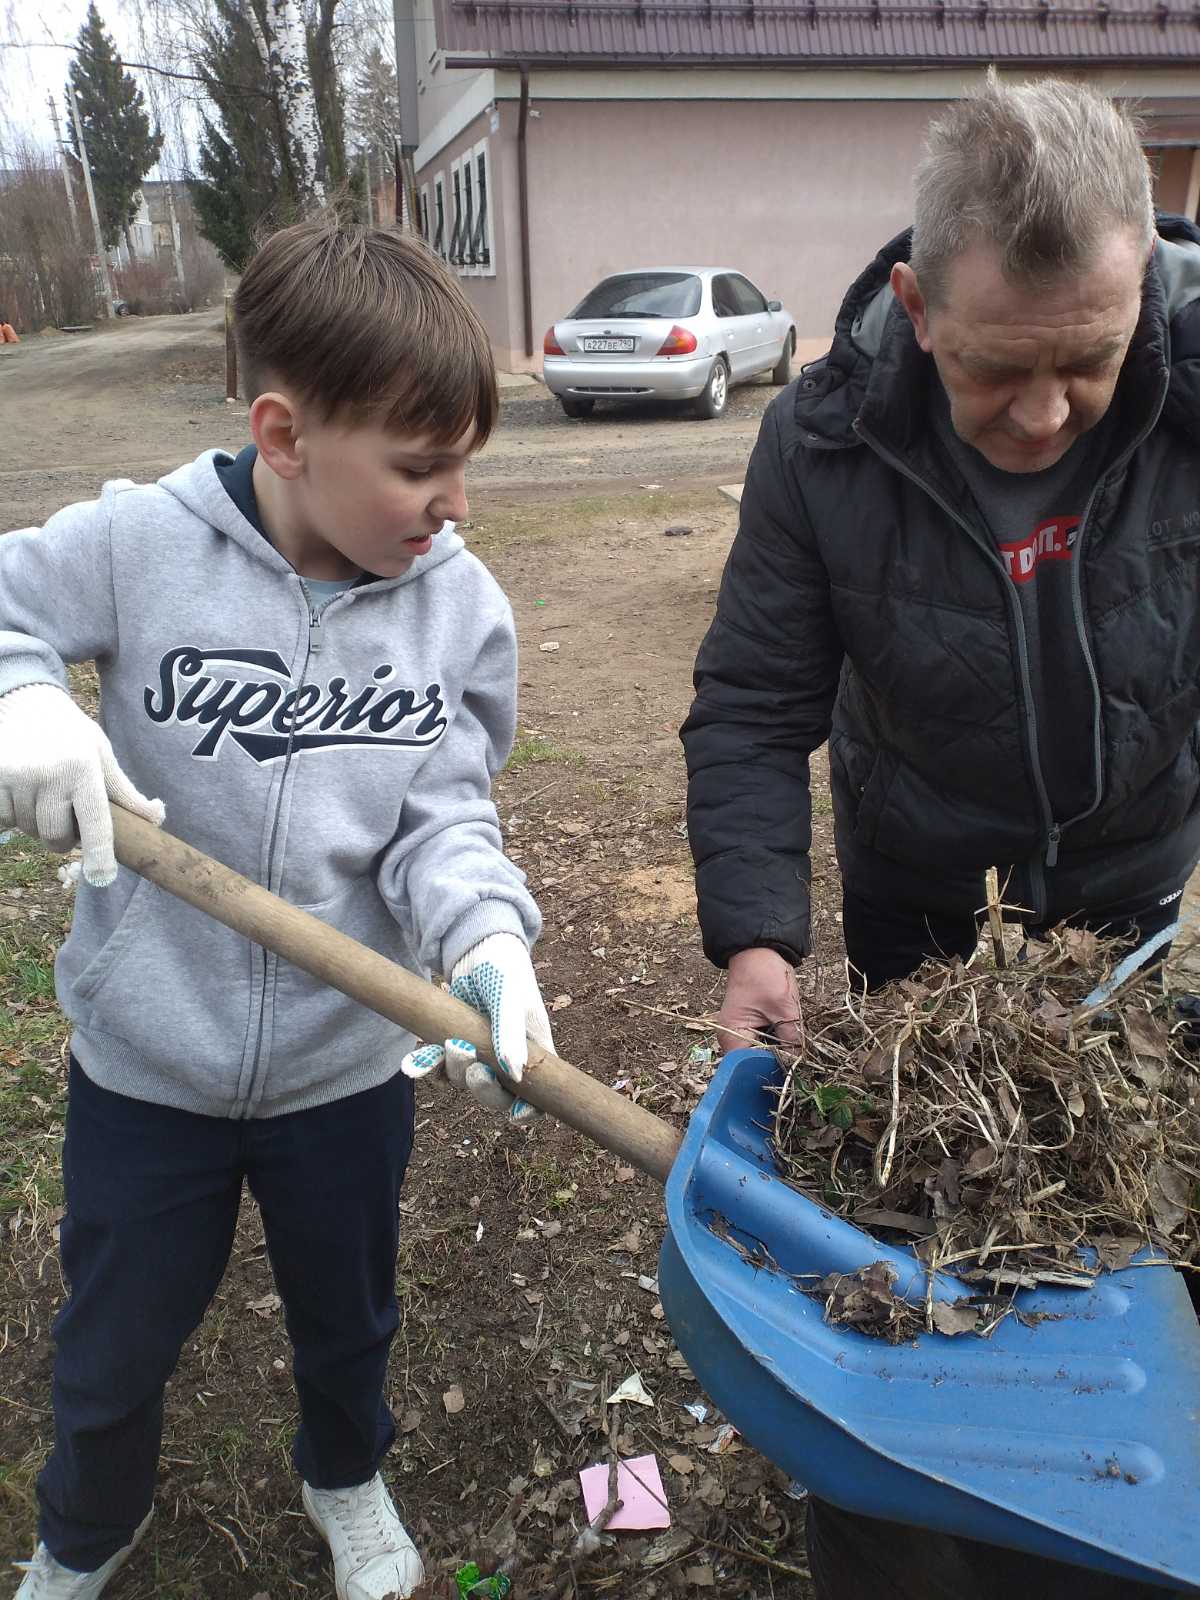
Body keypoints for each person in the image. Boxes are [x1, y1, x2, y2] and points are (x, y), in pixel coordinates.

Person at [682, 73, 1200, 1599]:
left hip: (1129, 907)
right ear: (914, 303)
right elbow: (754, 703)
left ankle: (1114, 1513)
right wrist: (761, 936)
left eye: (1088, 364)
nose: (1043, 413)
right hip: (923, 929)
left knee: (1122, 1223)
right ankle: (915, 1509)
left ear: (1147, 295)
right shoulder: (828, 444)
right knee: (930, 1223)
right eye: (995, 372)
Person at [0, 220, 552, 1600]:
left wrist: (483, 936)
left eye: (463, 463)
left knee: (347, 1317)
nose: (456, 503)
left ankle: (345, 1469)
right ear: (285, 434)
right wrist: (20, 701)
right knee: (114, 1338)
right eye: (420, 467)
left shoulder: (456, 611)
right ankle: (85, 1530)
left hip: (341, 1069)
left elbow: (445, 816)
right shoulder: (139, 545)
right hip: (149, 1067)